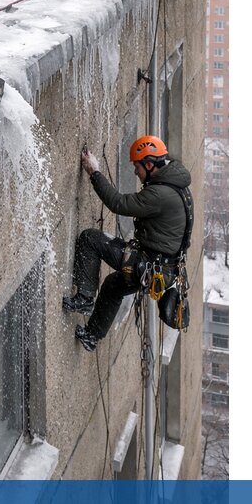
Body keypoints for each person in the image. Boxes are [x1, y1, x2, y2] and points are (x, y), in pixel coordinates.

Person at [63, 136, 193, 351]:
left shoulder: (161, 194)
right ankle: (91, 336)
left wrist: (94, 172)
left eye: (137, 166)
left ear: (150, 165)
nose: (135, 171)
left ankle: (85, 298)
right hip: (159, 268)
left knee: (91, 238)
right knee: (113, 287)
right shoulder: (176, 186)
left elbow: (118, 203)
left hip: (148, 265)